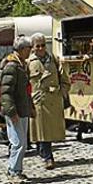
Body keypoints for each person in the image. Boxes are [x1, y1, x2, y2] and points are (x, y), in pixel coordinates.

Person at [27, 33, 70, 170]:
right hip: (39, 100)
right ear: (33, 48)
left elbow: (64, 78)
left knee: (49, 131)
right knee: (42, 130)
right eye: (37, 46)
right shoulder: (29, 63)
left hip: (53, 99)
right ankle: (47, 157)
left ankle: (42, 150)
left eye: (43, 45)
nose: (40, 48)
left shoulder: (53, 60)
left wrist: (63, 92)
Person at [0, 36, 35, 184]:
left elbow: (26, 90)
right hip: (14, 111)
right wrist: (11, 111)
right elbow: (6, 91)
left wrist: (31, 107)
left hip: (22, 109)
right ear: (22, 49)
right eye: (29, 49)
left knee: (22, 143)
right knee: (18, 142)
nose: (31, 51)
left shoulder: (21, 65)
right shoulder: (12, 66)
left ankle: (16, 169)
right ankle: (13, 172)